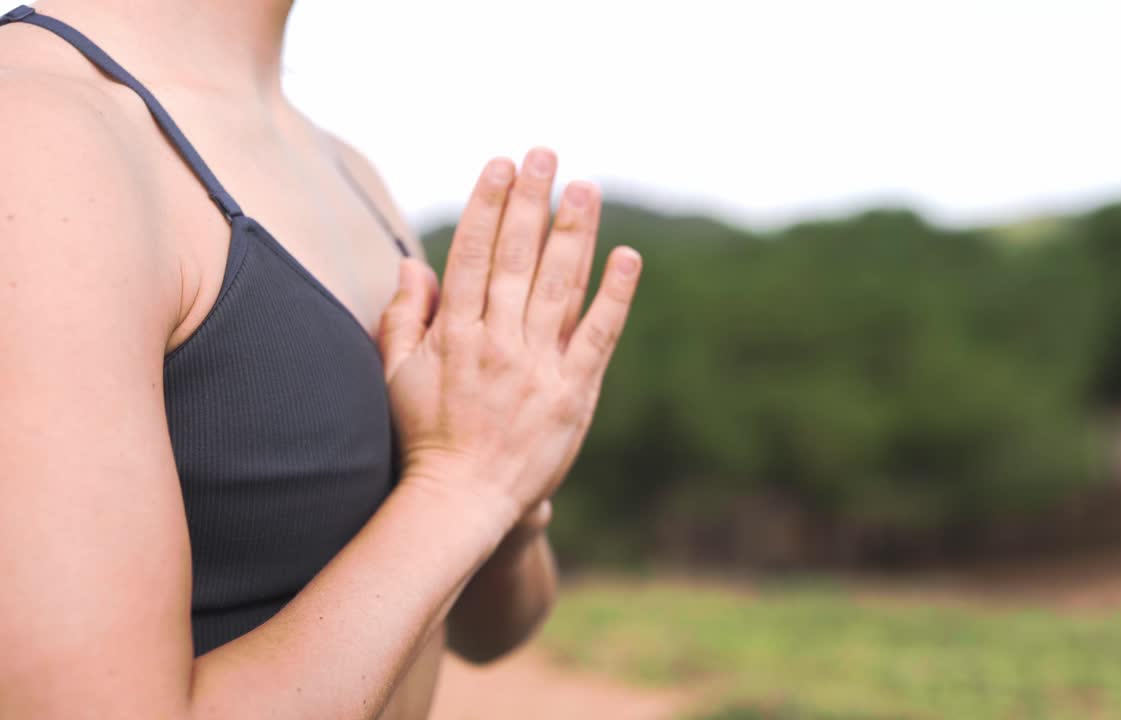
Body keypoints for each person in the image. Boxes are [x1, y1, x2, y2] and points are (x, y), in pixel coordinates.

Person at [0, 1, 641, 718]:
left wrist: (509, 483)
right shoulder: (36, 136)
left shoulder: (350, 171)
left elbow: (490, 629)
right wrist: (465, 486)